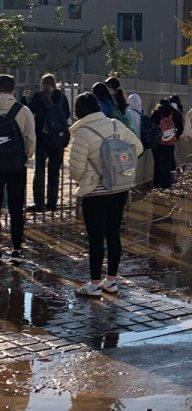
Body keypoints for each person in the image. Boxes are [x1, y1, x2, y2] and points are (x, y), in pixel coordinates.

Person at [68, 91, 143, 297]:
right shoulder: (115, 125)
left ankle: (93, 284)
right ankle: (111, 281)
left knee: (95, 238)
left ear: (79, 111)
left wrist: (92, 174)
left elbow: (76, 170)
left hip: (95, 192)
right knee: (113, 234)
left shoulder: (83, 133)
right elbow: (137, 147)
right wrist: (119, 164)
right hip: (119, 187)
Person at [0, 74, 36, 260]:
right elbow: (30, 139)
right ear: (13, 89)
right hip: (15, 166)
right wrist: (26, 156)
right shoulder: (22, 110)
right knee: (15, 207)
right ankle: (16, 248)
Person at [29, 73, 70, 212]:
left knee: (39, 171)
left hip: (42, 138)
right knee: (54, 172)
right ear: (55, 83)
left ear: (42, 83)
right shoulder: (62, 97)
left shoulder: (38, 96)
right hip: (58, 138)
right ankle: (52, 202)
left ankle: (39, 204)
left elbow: (29, 111)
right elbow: (68, 114)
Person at [150, 99, 183, 189]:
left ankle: (157, 184)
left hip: (158, 143)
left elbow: (151, 127)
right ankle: (166, 185)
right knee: (167, 163)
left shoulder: (156, 113)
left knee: (157, 163)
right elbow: (181, 128)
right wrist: (175, 137)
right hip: (170, 143)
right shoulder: (175, 114)